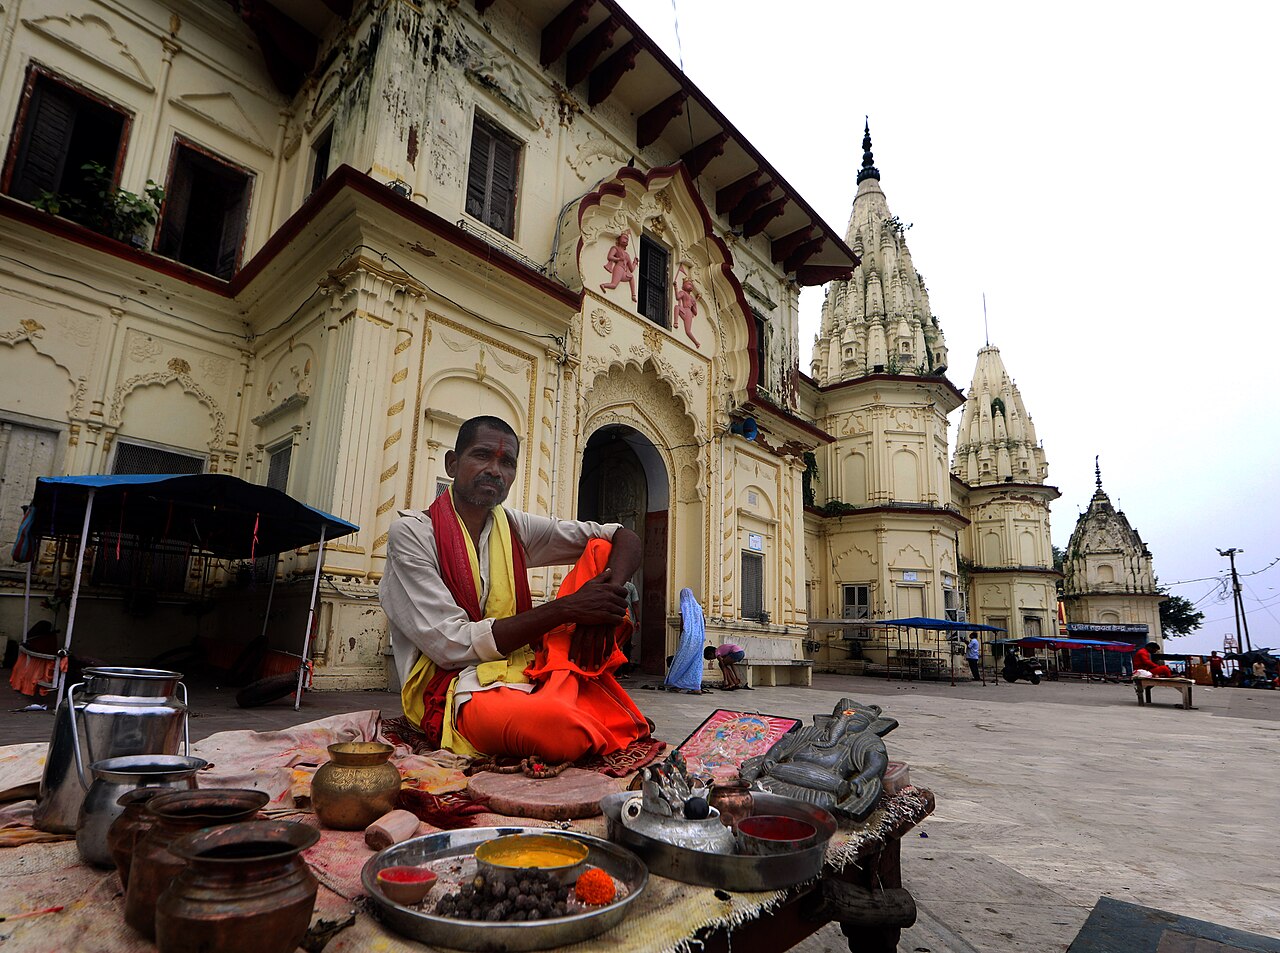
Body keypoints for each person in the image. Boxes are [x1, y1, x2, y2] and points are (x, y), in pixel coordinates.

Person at [380, 415, 651, 763]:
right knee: (559, 730)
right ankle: (578, 707)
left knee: (600, 550)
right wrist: (568, 608)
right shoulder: (413, 534)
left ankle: (573, 700)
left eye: (506, 462)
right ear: (452, 464)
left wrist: (600, 607)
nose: (495, 470)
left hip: (523, 667)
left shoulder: (513, 527)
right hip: (455, 684)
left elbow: (623, 537)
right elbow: (451, 645)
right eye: (482, 455)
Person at [663, 588, 705, 694]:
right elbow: (703, 622)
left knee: (681, 660)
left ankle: (677, 684)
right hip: (699, 637)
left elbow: (683, 623)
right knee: (696, 661)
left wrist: (681, 635)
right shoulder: (698, 607)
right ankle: (696, 687)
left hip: (688, 637)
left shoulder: (685, 606)